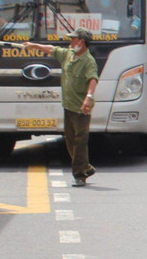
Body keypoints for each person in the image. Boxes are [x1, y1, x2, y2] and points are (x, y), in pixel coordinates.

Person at [21, 28, 100, 187]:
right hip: (69, 106)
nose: (70, 42)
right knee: (70, 140)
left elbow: (93, 79)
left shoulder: (88, 61)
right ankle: (85, 167)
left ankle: (79, 174)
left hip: (81, 108)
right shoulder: (69, 55)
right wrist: (33, 45)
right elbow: (51, 49)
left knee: (80, 141)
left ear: (81, 42)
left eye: (73, 39)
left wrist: (88, 98)